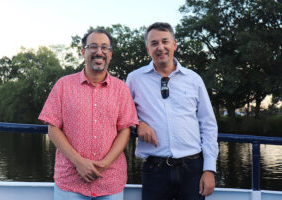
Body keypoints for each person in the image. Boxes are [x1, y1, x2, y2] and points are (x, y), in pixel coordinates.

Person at [39, 28, 138, 200]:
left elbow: (125, 130)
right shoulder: (63, 85)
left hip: (110, 181)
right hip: (70, 182)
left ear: (110, 53)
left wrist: (104, 164)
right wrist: (79, 163)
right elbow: (53, 127)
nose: (99, 52)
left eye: (104, 47)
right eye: (93, 46)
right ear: (83, 51)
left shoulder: (121, 89)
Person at [126, 22, 219, 200]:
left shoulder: (194, 79)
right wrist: (138, 124)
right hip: (155, 171)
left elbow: (208, 125)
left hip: (193, 169)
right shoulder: (134, 79)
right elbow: (121, 115)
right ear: (148, 49)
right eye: (154, 43)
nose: (160, 47)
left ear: (174, 44)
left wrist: (209, 169)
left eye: (165, 41)